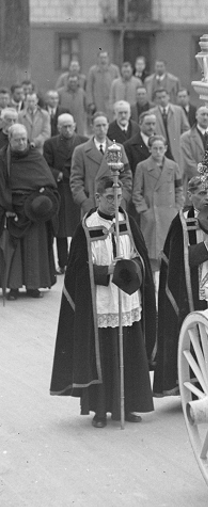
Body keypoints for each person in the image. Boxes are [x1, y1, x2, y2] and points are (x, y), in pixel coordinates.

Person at [49, 175, 156, 428]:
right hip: (102, 303)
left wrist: (131, 266)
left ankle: (127, 407)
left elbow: (140, 257)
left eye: (118, 197)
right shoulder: (87, 227)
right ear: (97, 198)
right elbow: (77, 270)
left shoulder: (127, 221)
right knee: (105, 356)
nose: (114, 202)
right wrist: (105, 271)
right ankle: (100, 410)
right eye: (109, 197)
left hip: (126, 300)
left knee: (129, 354)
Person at [152, 176, 208, 396]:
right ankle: (196, 386)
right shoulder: (181, 222)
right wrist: (205, 247)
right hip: (192, 292)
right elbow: (177, 262)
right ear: (190, 196)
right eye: (201, 193)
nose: (207, 198)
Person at [0, 124, 58, 300]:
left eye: (24, 139)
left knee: (35, 247)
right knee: (14, 250)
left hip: (34, 211)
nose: (21, 143)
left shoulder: (35, 157)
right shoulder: (3, 158)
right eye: (17, 140)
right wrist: (7, 207)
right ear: (10, 139)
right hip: (13, 210)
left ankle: (34, 286)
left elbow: (49, 183)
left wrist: (42, 199)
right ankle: (13, 287)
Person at [132, 135, 184, 274]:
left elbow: (179, 189)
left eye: (161, 148)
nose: (158, 151)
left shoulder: (173, 166)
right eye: (155, 148)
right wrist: (145, 211)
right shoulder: (142, 166)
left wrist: (177, 208)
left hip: (169, 215)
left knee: (169, 251)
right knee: (152, 253)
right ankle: (153, 282)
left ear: (166, 148)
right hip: (151, 217)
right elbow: (136, 192)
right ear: (149, 149)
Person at [43, 114, 89, 274]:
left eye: (70, 126)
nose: (68, 129)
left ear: (75, 125)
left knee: (80, 227)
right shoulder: (50, 144)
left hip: (79, 188)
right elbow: (46, 165)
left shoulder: (84, 141)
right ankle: (63, 263)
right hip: (61, 189)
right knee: (61, 229)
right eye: (64, 127)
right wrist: (58, 174)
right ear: (58, 128)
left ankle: (80, 261)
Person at [71, 113, 133, 217]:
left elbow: (126, 176)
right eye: (98, 126)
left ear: (108, 125)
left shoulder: (118, 148)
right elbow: (76, 180)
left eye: (104, 125)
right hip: (92, 204)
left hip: (114, 203)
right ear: (92, 127)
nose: (102, 129)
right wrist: (84, 201)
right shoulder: (80, 151)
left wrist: (123, 198)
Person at [147, 88, 189, 175]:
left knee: (178, 172)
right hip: (160, 147)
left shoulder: (178, 110)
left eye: (163, 97)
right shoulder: (151, 113)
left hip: (176, 147)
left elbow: (186, 129)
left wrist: (180, 141)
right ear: (156, 99)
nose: (162, 99)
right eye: (159, 98)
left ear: (168, 97)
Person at [180, 105, 208, 185]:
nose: (205, 117)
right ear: (196, 116)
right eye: (203, 114)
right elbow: (187, 162)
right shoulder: (186, 137)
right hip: (194, 182)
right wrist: (202, 177)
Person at [86, 50, 120, 117]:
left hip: (111, 100)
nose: (103, 60)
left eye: (105, 57)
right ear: (98, 59)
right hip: (98, 101)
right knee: (100, 118)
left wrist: (118, 100)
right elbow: (89, 87)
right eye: (101, 58)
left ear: (108, 59)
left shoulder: (115, 69)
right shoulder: (93, 70)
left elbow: (119, 85)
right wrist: (91, 102)